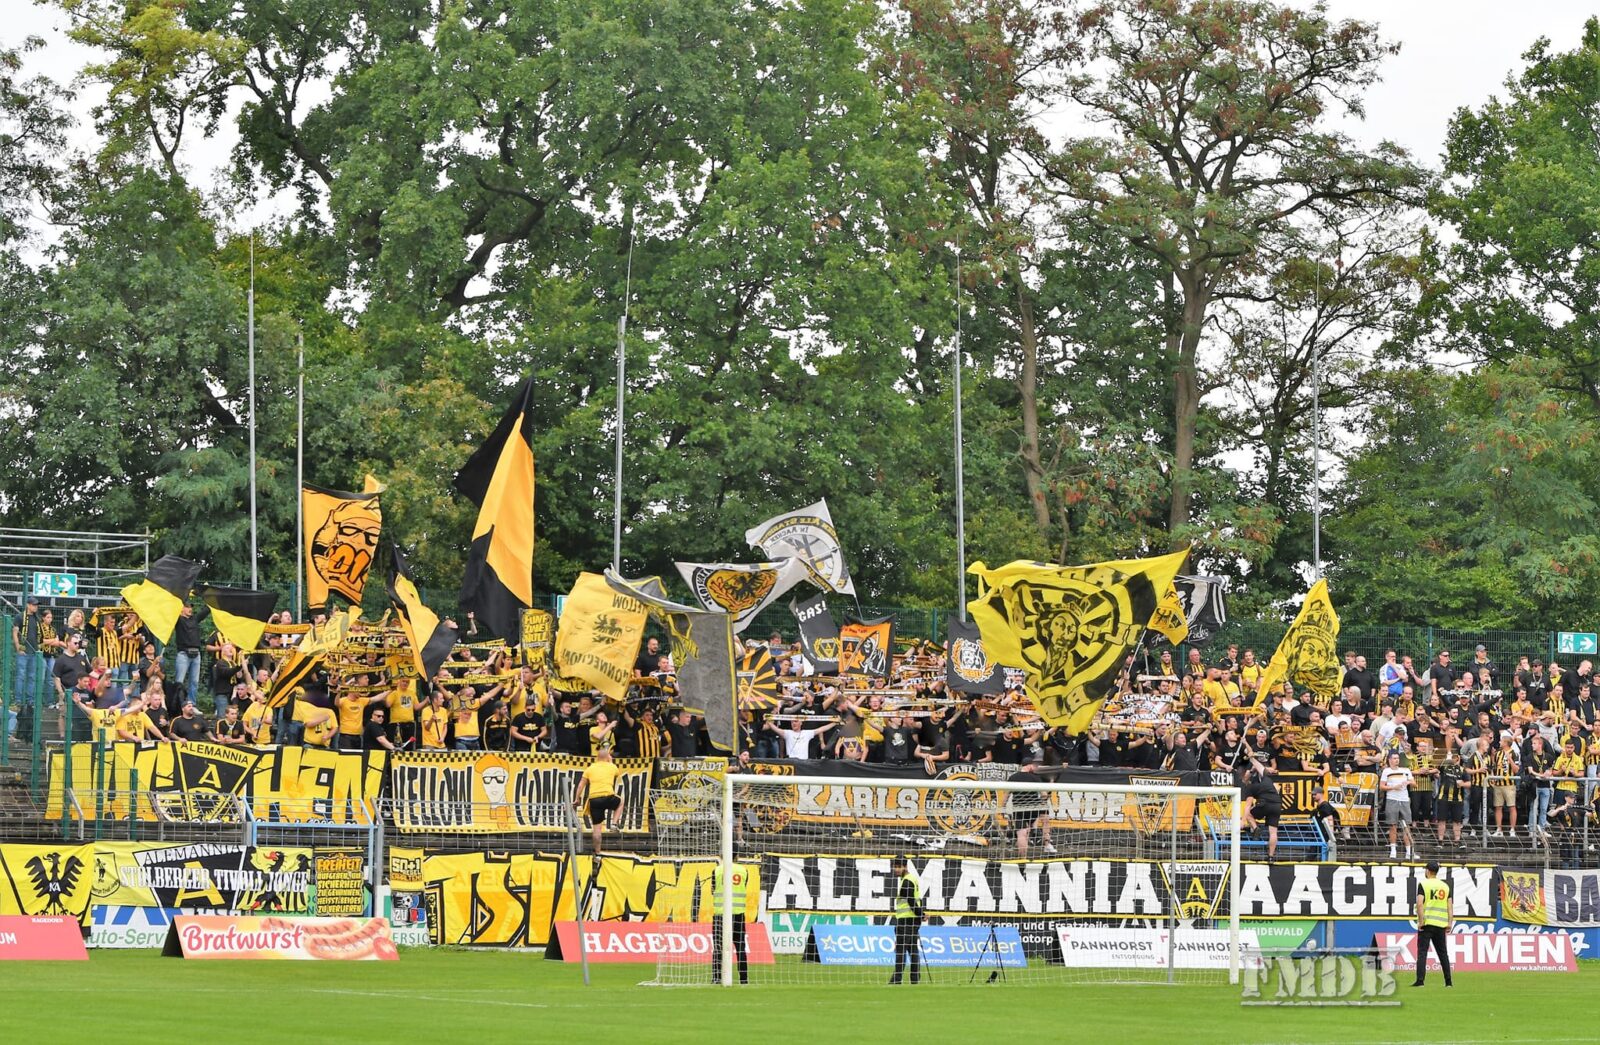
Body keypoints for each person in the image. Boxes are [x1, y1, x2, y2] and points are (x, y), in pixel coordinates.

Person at [710, 861, 753, 985]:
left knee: (718, 947)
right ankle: (744, 980)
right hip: (738, 914)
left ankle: (716, 978)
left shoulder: (716, 870)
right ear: (738, 855)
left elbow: (712, 890)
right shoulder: (744, 870)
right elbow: (744, 886)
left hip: (720, 914)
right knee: (740, 947)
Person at [573, 747, 623, 853]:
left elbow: (580, 785)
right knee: (621, 801)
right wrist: (610, 760)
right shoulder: (612, 767)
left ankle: (598, 853)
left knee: (597, 829)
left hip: (594, 800)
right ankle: (614, 824)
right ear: (607, 757)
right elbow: (617, 773)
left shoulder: (590, 768)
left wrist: (577, 799)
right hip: (608, 796)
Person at [1412, 860, 1453, 988]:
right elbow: (1450, 906)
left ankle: (1420, 981)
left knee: (1422, 952)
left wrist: (1420, 921)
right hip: (1441, 924)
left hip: (1427, 923)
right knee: (1443, 953)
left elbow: (1419, 903)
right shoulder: (1445, 886)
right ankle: (1448, 982)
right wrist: (1449, 923)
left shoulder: (1423, 884)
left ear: (1428, 871)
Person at [888, 854, 923, 985]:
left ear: (905, 866)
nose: (896, 869)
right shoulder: (911, 879)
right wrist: (921, 914)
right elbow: (915, 901)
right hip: (913, 920)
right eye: (894, 867)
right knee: (913, 951)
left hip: (906, 921)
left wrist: (920, 914)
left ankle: (896, 980)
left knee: (901, 951)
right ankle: (915, 980)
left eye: (898, 867)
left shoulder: (907, 881)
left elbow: (911, 902)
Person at [1242, 764, 1282, 862]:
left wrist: (1243, 820)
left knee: (1250, 814)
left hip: (1264, 803)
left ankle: (1256, 828)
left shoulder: (1250, 787)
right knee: (1273, 832)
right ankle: (1271, 856)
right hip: (1277, 804)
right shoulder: (1267, 779)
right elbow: (1266, 769)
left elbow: (1248, 805)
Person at [1381, 750, 1417, 860]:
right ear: (1390, 760)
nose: (1397, 760)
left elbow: (1415, 784)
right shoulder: (1386, 771)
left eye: (1398, 758)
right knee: (1393, 825)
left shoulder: (1406, 770)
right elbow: (1382, 786)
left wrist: (1409, 782)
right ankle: (1393, 850)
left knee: (1406, 826)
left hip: (1404, 799)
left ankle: (1409, 851)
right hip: (1392, 799)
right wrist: (1393, 787)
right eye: (1395, 758)